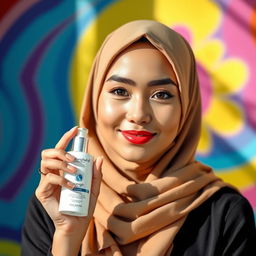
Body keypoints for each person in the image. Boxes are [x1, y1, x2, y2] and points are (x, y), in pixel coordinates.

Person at [21, 20, 256, 256]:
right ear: (95, 99)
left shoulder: (223, 213)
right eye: (120, 91)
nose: (139, 115)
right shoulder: (56, 201)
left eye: (162, 95)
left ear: (187, 106)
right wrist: (67, 237)